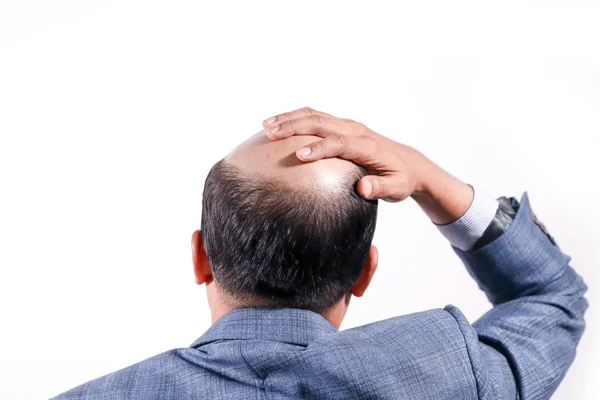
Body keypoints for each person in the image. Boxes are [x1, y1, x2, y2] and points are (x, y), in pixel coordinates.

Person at [53, 107, 588, 399]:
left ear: (201, 257)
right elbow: (551, 296)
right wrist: (423, 175)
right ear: (364, 272)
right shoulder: (449, 374)